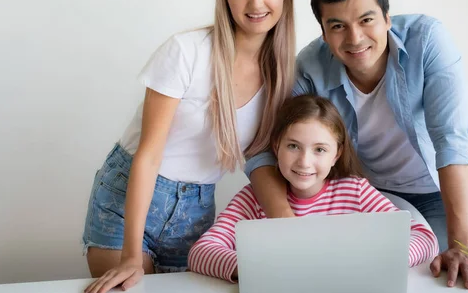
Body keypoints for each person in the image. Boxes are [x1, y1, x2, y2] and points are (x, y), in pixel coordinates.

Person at [245, 0, 468, 289]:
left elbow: (451, 139)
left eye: (367, 20)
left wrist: (462, 246)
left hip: (432, 191)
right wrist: (289, 230)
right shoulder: (309, 68)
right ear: (324, 34)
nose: (355, 38)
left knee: (437, 277)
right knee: (355, 280)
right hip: (362, 193)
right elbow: (264, 148)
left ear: (387, 18)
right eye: (338, 26)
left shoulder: (427, 41)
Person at [82, 0, 295, 293]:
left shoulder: (285, 75)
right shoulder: (186, 52)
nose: (256, 3)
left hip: (196, 210)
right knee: (130, 289)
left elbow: (259, 157)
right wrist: (132, 255)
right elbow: (149, 154)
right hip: (130, 197)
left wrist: (291, 228)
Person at [188, 95, 439, 282]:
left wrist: (382, 260)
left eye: (320, 149)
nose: (304, 162)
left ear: (336, 154)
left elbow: (425, 238)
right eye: (293, 146)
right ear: (276, 147)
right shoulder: (253, 199)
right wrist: (254, 267)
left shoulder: (355, 192)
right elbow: (200, 253)